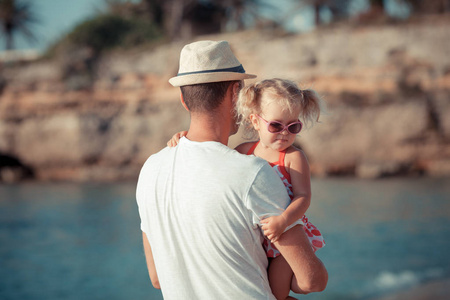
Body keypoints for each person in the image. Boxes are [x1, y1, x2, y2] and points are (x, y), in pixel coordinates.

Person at [136, 40, 328, 300]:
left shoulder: (150, 170)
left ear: (183, 99)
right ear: (235, 92)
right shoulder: (253, 172)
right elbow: (312, 280)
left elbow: (157, 278)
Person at [168, 78, 325, 299]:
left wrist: (284, 220)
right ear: (255, 121)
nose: (285, 132)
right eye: (276, 125)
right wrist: (185, 138)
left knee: (277, 293)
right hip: (256, 238)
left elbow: (303, 197)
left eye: (294, 126)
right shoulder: (244, 150)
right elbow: (214, 157)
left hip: (282, 236)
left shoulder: (293, 157)